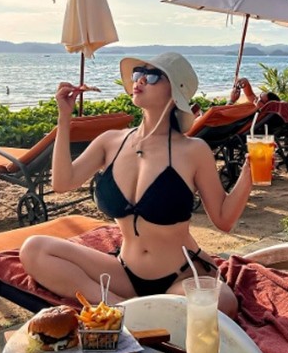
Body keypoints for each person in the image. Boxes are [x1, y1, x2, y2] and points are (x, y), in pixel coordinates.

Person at [19, 52, 253, 317]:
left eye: (152, 76)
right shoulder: (111, 142)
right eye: (138, 73)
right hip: (124, 273)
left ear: (175, 92)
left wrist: (248, 174)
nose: (140, 80)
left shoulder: (193, 150)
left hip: (180, 277)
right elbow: (62, 182)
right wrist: (64, 119)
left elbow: (223, 220)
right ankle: (120, 309)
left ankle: (136, 312)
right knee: (34, 249)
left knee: (222, 302)